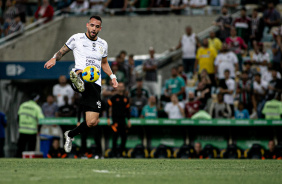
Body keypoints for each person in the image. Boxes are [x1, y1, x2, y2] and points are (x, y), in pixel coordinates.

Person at [44, 16, 119, 153]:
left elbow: (104, 63)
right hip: (80, 74)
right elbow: (62, 51)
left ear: (100, 29)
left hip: (95, 84)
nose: (94, 29)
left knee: (92, 122)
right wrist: (54, 58)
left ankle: (70, 134)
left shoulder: (103, 44)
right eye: (92, 25)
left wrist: (113, 77)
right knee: (80, 75)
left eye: (97, 27)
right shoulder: (76, 38)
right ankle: (77, 81)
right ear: (87, 25)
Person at [107, 82, 131, 156]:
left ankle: (121, 153)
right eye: (119, 86)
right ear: (117, 88)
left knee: (124, 137)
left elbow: (127, 110)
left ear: (124, 88)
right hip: (115, 120)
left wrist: (129, 120)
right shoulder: (113, 98)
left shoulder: (126, 99)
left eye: (122, 86)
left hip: (123, 120)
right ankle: (114, 153)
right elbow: (108, 107)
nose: (120, 88)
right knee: (115, 137)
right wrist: (108, 118)